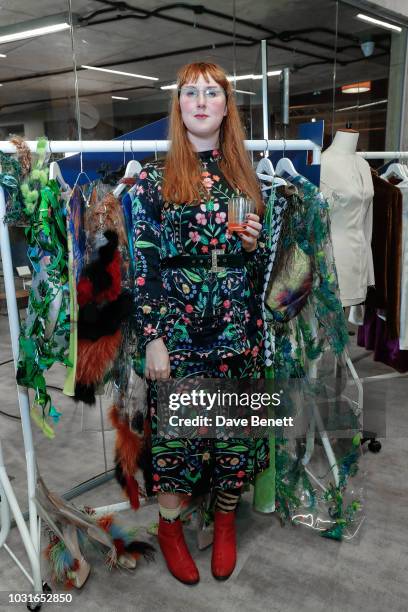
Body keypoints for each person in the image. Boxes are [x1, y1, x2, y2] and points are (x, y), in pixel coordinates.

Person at [132, 61, 268, 585]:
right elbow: (143, 266)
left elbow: (256, 266)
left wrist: (253, 247)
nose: (202, 101)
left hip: (238, 330)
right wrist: (154, 338)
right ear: (180, 105)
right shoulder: (151, 179)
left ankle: (226, 520)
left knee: (233, 436)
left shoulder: (243, 176)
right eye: (191, 93)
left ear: (227, 105)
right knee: (178, 442)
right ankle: (170, 527)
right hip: (181, 337)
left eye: (212, 92)